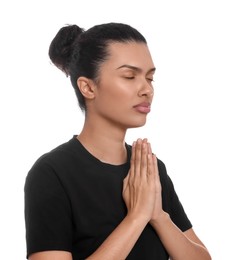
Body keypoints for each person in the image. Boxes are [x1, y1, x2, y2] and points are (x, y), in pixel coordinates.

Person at [24, 22, 211, 260]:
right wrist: (137, 217)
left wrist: (159, 217)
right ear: (88, 87)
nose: (147, 90)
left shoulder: (150, 169)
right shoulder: (51, 173)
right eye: (130, 76)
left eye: (150, 78)